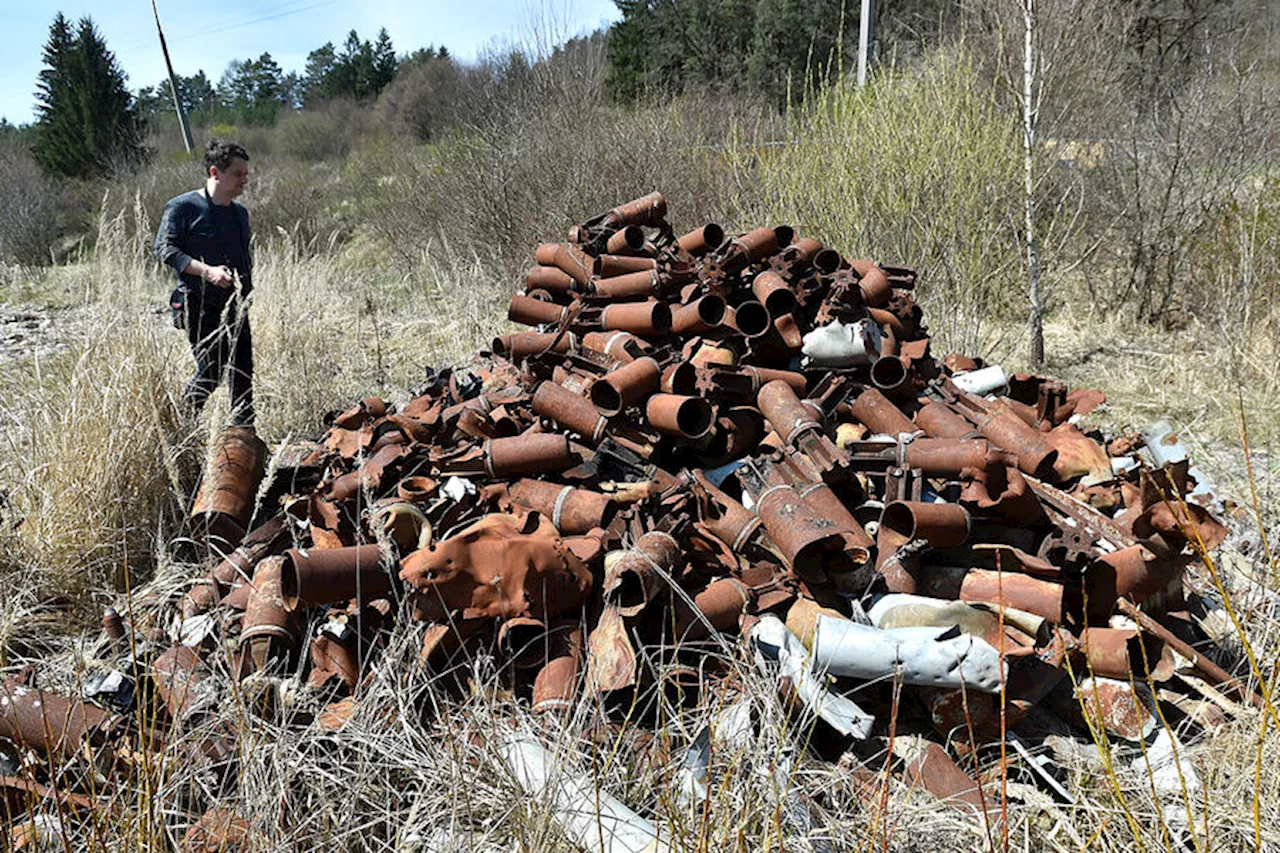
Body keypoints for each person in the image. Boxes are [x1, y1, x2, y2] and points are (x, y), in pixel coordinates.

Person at [154, 139, 255, 428]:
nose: (244, 180)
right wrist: (208, 271)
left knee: (243, 371)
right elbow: (166, 250)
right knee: (212, 369)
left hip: (236, 304)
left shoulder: (239, 214)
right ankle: (182, 428)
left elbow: (243, 256)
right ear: (215, 173)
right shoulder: (183, 207)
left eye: (245, 174)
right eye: (238, 174)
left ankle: (245, 435)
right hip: (197, 303)